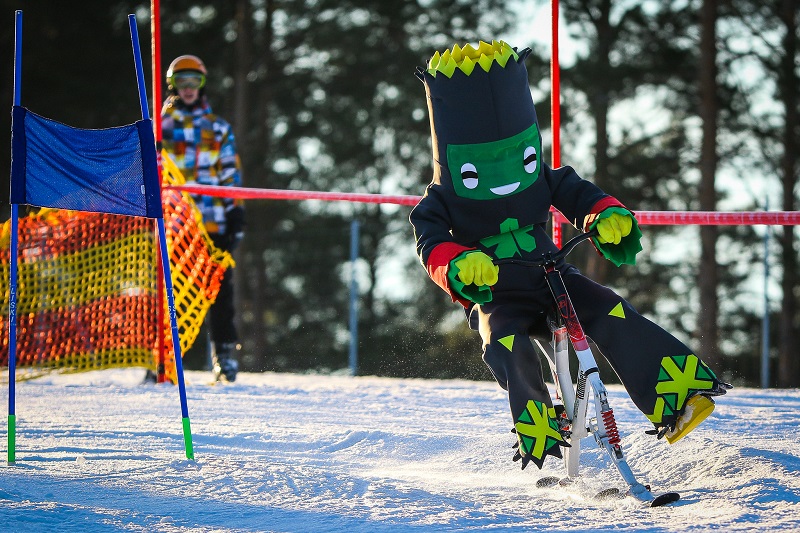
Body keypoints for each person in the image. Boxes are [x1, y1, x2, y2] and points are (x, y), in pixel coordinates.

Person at [409, 41, 731, 469]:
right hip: (496, 293)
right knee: (505, 341)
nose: (507, 178)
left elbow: (577, 194)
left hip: (551, 274)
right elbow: (429, 241)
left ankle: (675, 399)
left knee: (611, 310)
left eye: (522, 158)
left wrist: (604, 215)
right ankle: (542, 424)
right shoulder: (440, 197)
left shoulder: (543, 176)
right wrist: (457, 262)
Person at [160, 54, 244, 382]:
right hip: (174, 225)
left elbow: (230, 175)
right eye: (182, 81)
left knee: (220, 292)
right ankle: (164, 358)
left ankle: (225, 354)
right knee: (170, 292)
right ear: (173, 85)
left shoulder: (218, 127)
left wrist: (235, 214)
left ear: (203, 83)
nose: (189, 87)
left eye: (195, 80)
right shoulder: (161, 127)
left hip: (213, 223)